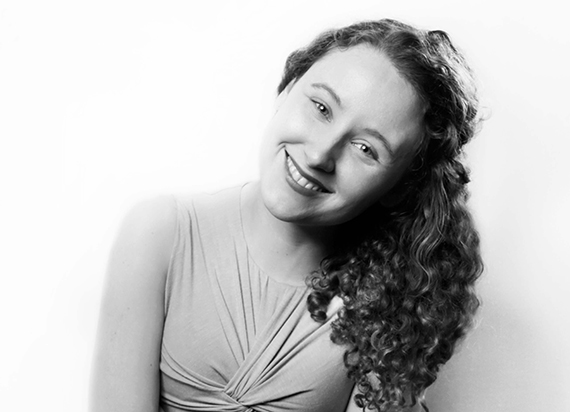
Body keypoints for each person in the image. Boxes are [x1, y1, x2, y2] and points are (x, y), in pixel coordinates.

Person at [90, 18, 483, 412]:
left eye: (366, 149)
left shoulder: (387, 313)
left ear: (400, 186)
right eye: (321, 107)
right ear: (287, 87)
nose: (319, 155)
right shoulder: (160, 234)